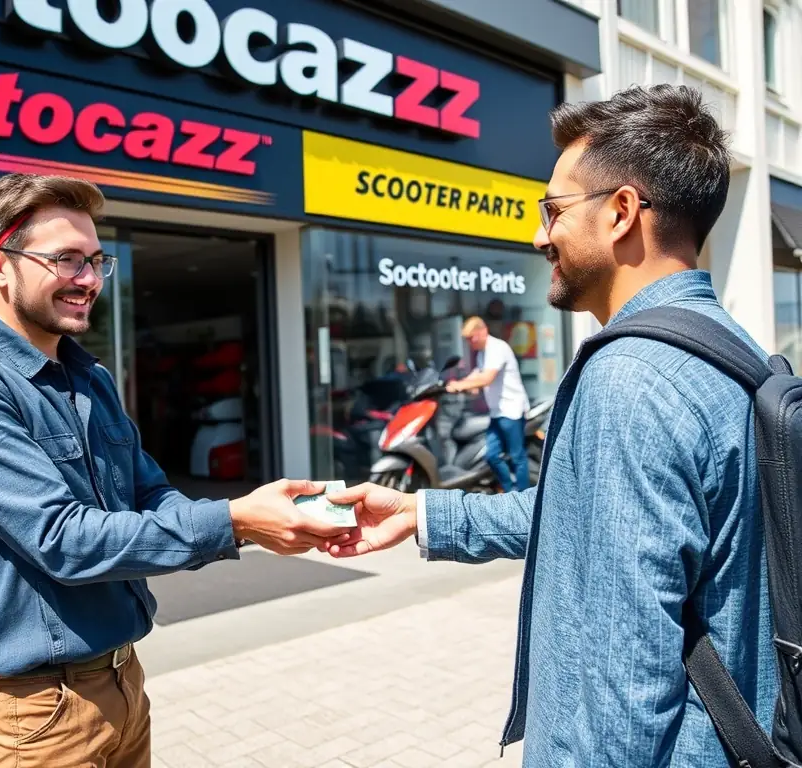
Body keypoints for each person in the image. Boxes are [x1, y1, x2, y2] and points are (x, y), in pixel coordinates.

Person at [324, 84, 774, 766]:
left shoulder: (631, 379)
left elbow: (618, 687)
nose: (539, 235)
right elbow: (592, 517)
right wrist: (424, 514)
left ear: (622, 212)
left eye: (553, 211)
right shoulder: (732, 349)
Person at [0, 173, 348, 767]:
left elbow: (150, 492)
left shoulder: (90, 376)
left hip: (122, 678)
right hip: (34, 709)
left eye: (95, 260)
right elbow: (62, 541)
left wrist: (260, 516)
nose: (88, 280)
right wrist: (236, 523)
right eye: (65, 259)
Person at [446, 317, 531, 490]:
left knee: (517, 457)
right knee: (492, 456)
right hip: (497, 412)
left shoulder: (497, 348)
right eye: (468, 340)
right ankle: (510, 492)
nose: (470, 343)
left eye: (472, 338)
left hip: (511, 410)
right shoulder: (483, 354)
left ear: (483, 331)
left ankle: (525, 497)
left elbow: (486, 378)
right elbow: (477, 377)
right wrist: (456, 384)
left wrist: (461, 385)